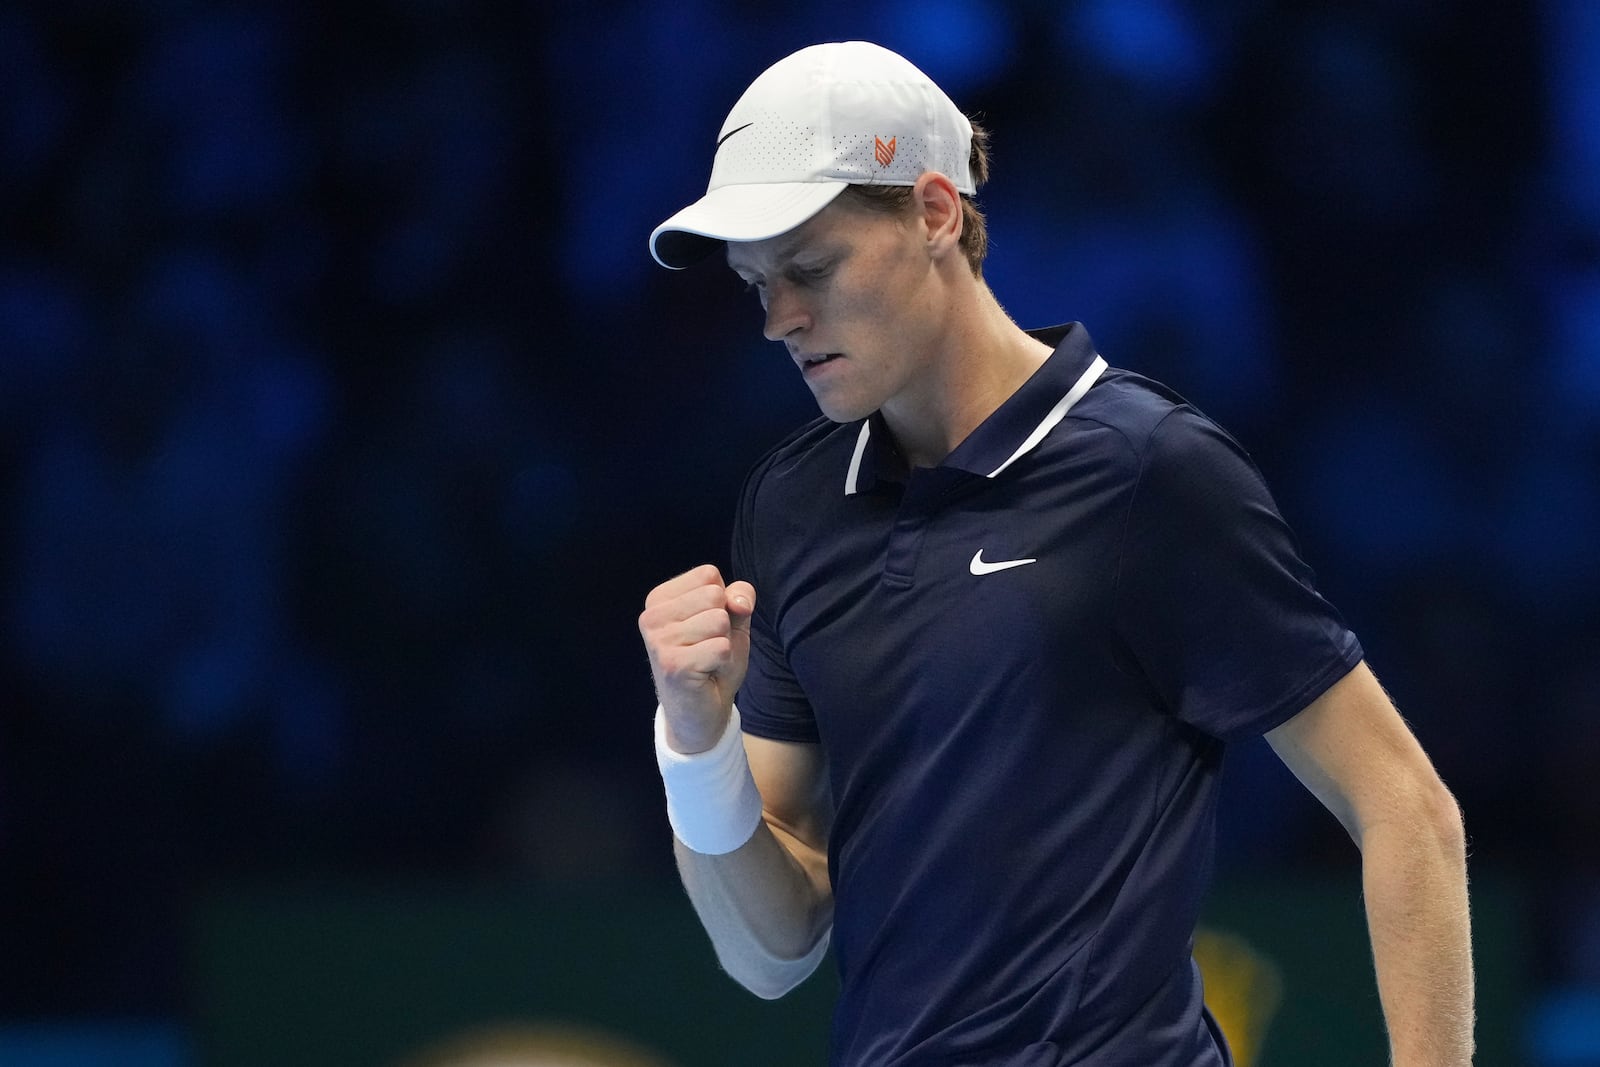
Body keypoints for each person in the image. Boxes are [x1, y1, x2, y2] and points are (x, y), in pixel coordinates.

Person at [636, 41, 1473, 1067]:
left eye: (810, 267)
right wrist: (694, 745)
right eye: (756, 283)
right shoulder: (793, 502)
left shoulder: (1148, 468)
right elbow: (773, 948)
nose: (778, 320)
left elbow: (1404, 807)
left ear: (935, 213)